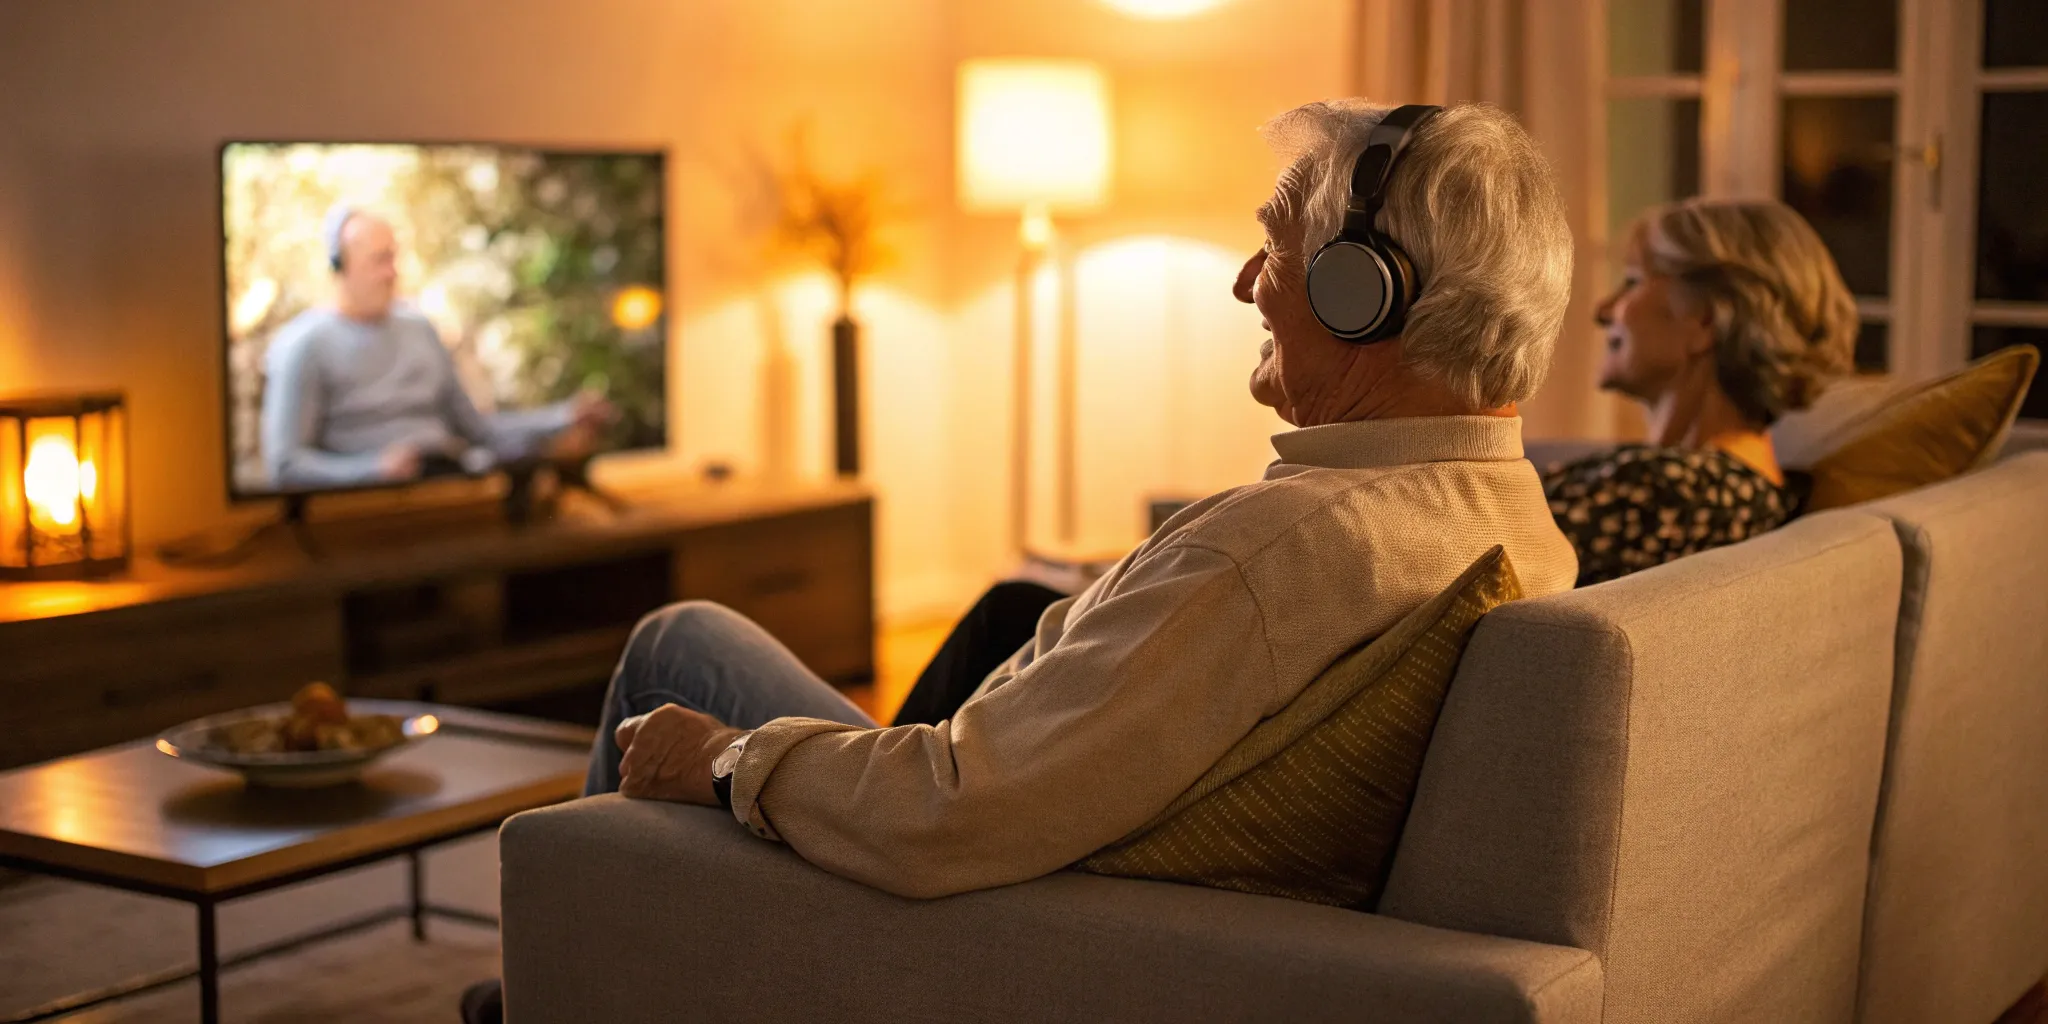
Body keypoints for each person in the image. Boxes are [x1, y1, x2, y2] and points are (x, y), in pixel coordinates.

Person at [461, 99, 1583, 1019]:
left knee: (677, 647)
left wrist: (723, 758)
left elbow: (951, 810)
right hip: (1046, 841)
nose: (1246, 282)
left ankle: (553, 988)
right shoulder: (1512, 516)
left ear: (1362, 292)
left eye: (1277, 247)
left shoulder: (1282, 548)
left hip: (979, 906)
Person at [1540, 198, 1857, 586]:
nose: (1604, 310)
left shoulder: (1664, 489)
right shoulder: (1753, 494)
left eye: (1634, 281)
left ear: (1704, 319)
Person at [259, 205, 611, 491]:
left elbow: (479, 430)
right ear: (339, 266)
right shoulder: (304, 345)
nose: (391, 273)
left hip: (449, 488)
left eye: (393, 258)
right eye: (378, 260)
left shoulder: (420, 329)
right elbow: (286, 465)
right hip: (363, 512)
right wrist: (371, 470)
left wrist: (564, 417)